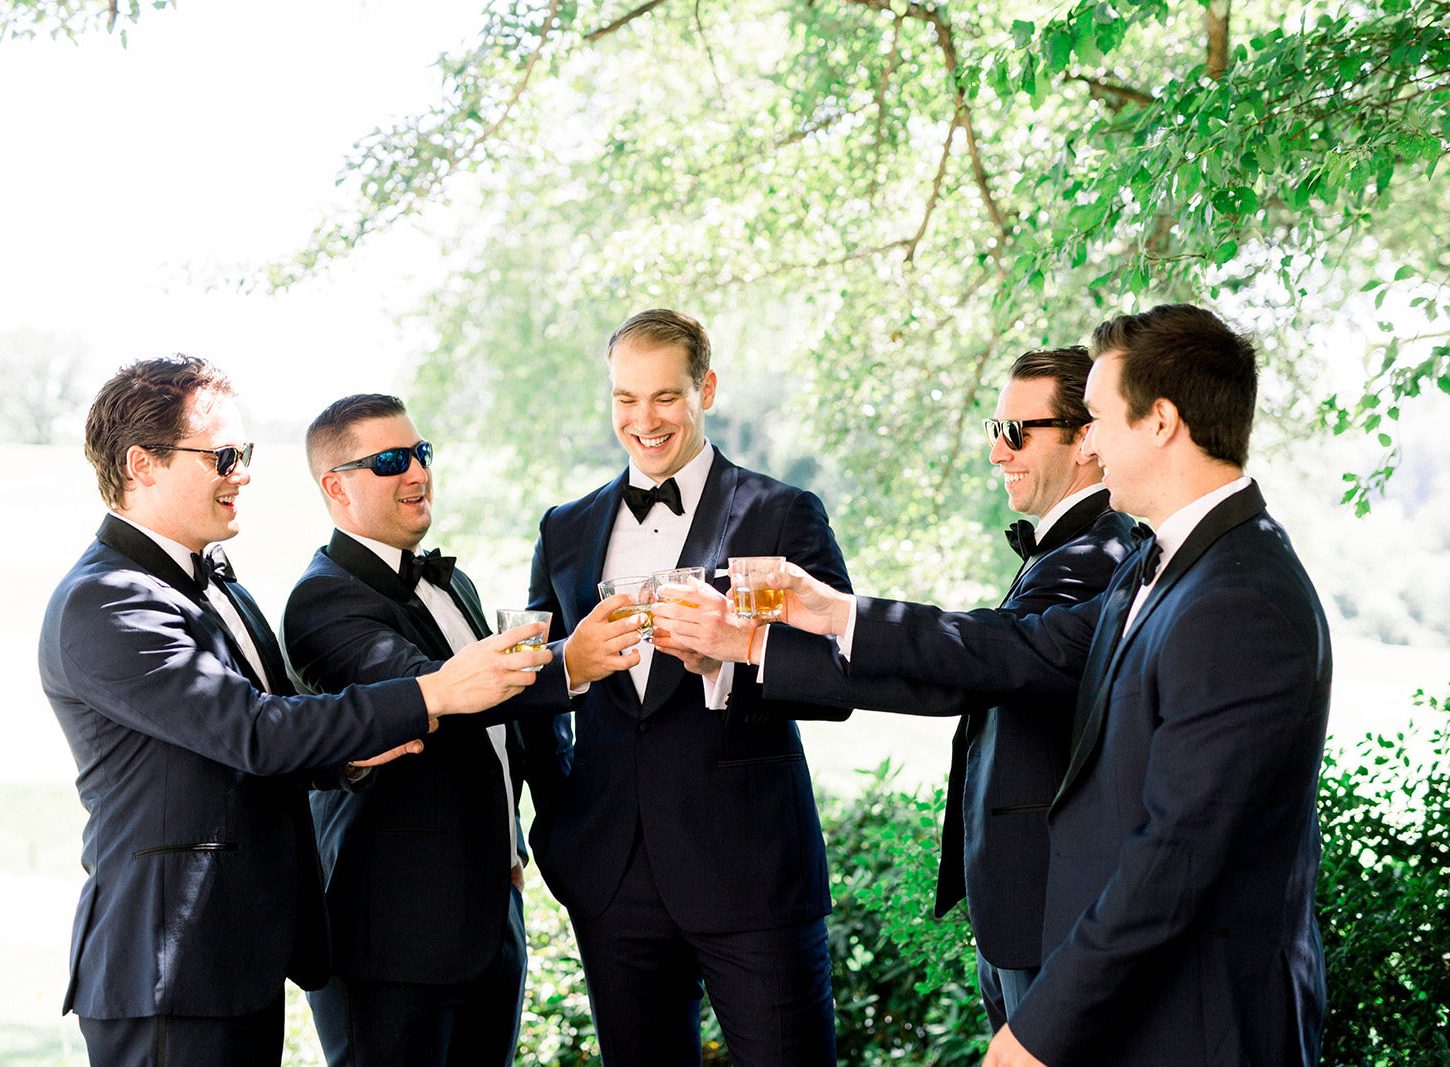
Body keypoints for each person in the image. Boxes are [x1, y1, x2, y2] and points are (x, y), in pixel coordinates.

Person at [699, 304, 1331, 1066]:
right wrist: (832, 611)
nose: (1091, 444)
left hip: (1204, 1021)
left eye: (1096, 420)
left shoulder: (1240, 600)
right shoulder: (1160, 564)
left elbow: (1176, 858)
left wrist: (1042, 1025)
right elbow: (1017, 646)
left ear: (1160, 421)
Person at [38, 356, 549, 1067]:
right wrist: (435, 691)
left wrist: (345, 755)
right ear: (141, 464)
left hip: (236, 958)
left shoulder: (220, 587)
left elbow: (277, 722)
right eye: (221, 455)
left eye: (243, 454)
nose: (242, 472)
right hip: (167, 964)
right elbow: (253, 732)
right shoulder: (109, 600)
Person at [654, 346, 1139, 1029]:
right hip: (1020, 912)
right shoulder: (1070, 549)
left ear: (1085, 438)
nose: (997, 454)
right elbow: (955, 682)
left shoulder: (1096, 554)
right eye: (993, 433)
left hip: (1049, 907)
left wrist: (769, 634)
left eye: (1014, 433)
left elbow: (970, 665)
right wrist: (748, 646)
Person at [525, 308, 852, 1065]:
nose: (644, 420)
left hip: (753, 872)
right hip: (612, 875)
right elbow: (535, 684)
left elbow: (836, 676)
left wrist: (730, 659)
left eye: (665, 397)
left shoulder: (781, 513)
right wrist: (562, 822)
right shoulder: (564, 528)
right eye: (624, 399)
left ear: (705, 388)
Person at [279, 393, 637, 1067]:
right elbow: (439, 695)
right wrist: (572, 661)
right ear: (336, 487)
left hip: (490, 917)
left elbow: (509, 736)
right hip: (390, 935)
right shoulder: (323, 600)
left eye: (421, 453)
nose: (417, 472)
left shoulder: (456, 583)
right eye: (389, 461)